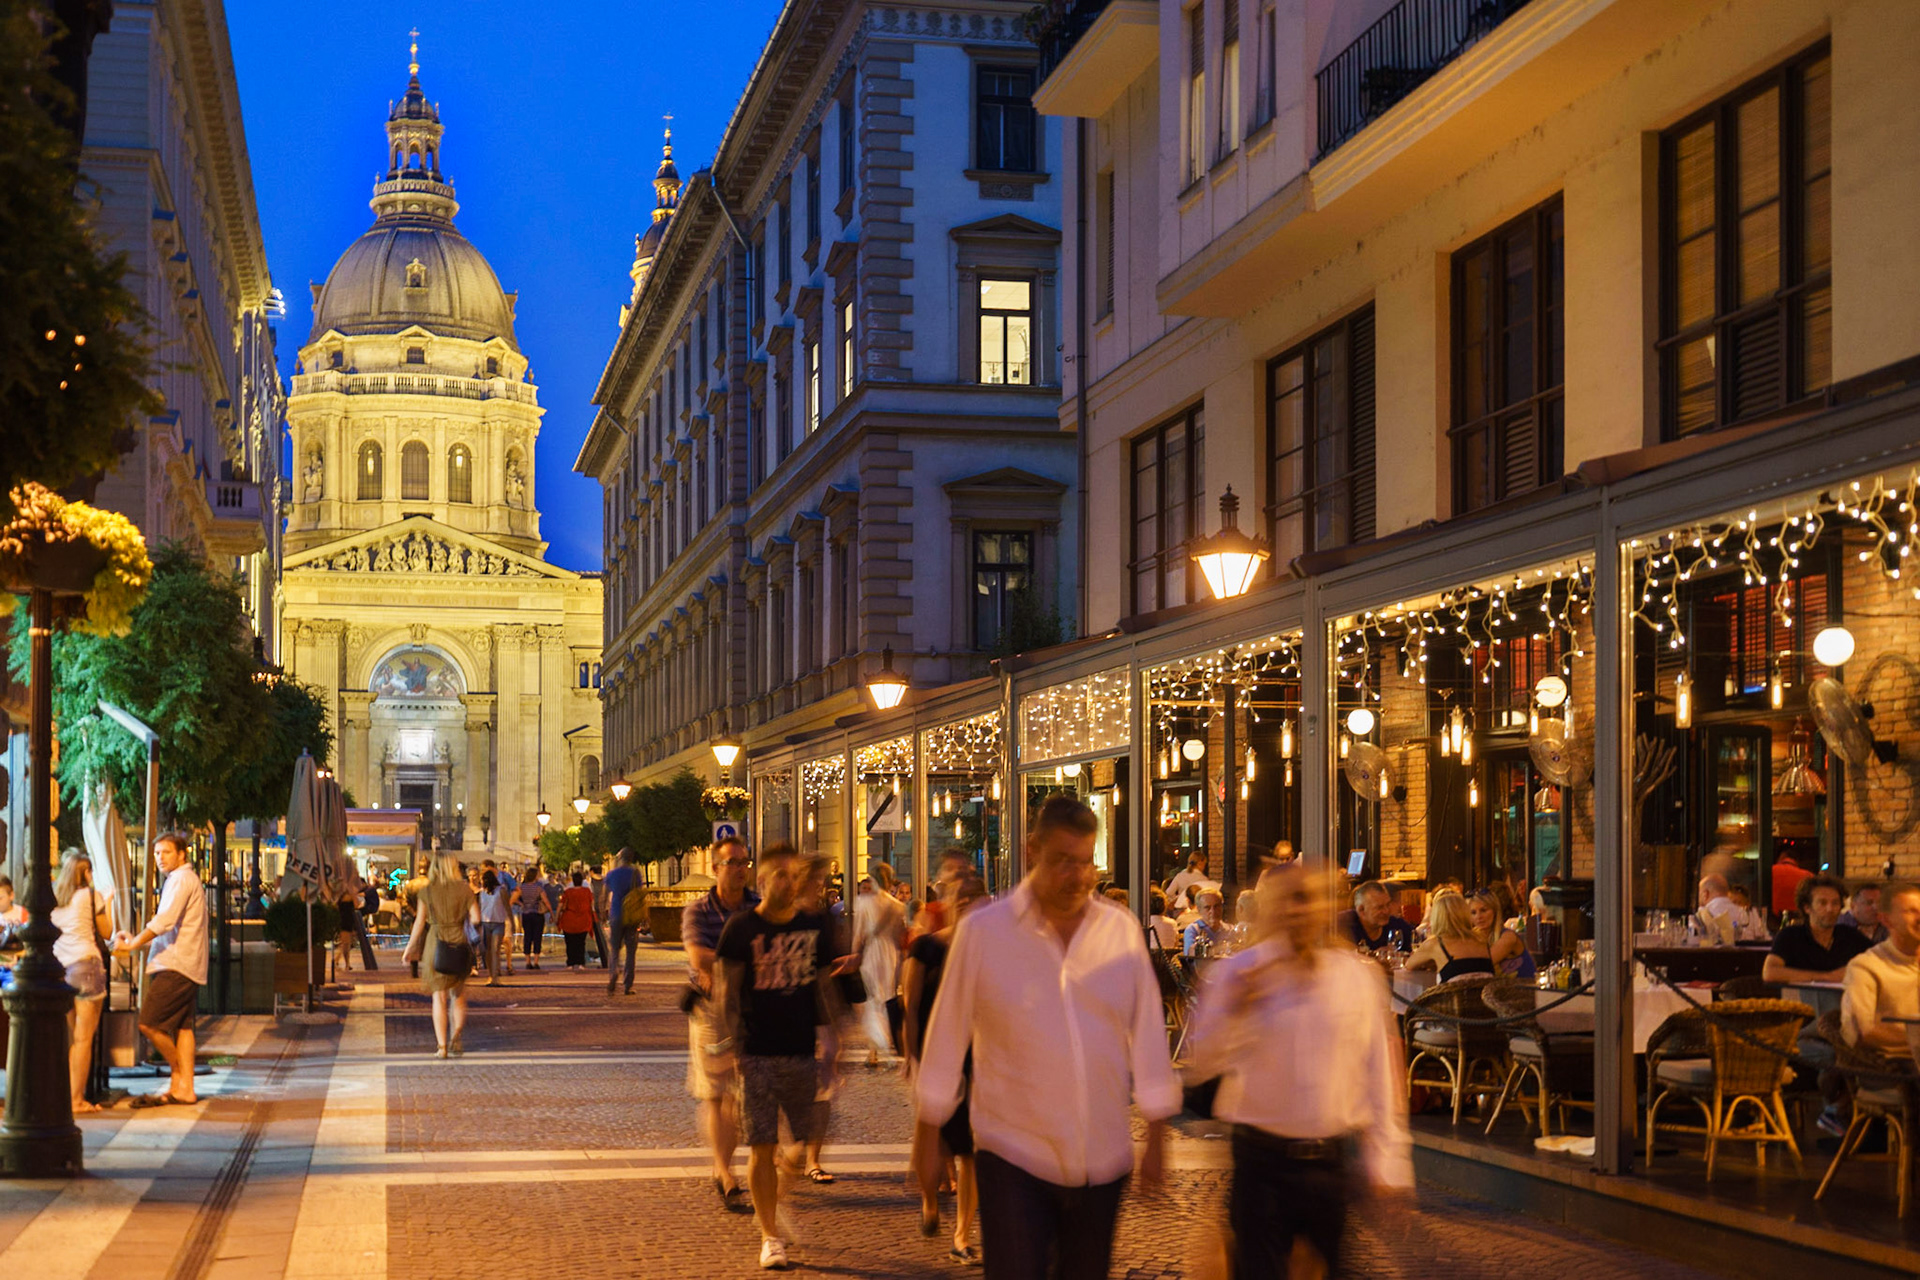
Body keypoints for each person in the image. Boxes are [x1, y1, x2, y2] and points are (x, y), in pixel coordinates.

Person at [914, 796, 1179, 1280]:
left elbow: (1146, 1032)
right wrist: (928, 1133)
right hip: (1013, 1149)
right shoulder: (986, 933)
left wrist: (1158, 1130)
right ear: (1033, 849)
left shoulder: (1118, 931)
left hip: (1101, 1155)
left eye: (1085, 863)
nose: (1076, 877)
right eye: (1062, 862)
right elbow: (947, 1032)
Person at [1184, 863, 1413, 1278]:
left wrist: (1389, 1160)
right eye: (1289, 900)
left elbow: (1377, 1069)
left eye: (1307, 900)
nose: (1298, 911)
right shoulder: (1239, 974)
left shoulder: (1353, 978)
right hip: (1260, 1163)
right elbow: (1204, 1063)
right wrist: (1236, 1011)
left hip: (1328, 1165)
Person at [715, 845, 840, 1272]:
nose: (790, 883)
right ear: (763, 881)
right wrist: (732, 1047)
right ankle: (770, 1236)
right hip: (758, 1052)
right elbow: (726, 993)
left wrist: (833, 1041)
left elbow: (823, 987)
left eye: (794, 875)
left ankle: (773, 1198)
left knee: (806, 1139)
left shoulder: (816, 926)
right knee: (762, 1146)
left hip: (802, 1049)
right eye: (781, 875)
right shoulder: (741, 928)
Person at [903, 873, 988, 1265]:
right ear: (948, 901)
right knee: (933, 1140)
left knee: (970, 1151)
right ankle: (929, 1202)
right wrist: (911, 1055)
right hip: (935, 1053)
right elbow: (912, 1006)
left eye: (976, 896)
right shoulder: (926, 948)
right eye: (962, 896)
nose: (969, 902)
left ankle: (962, 1235)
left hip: (978, 1058)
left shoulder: (991, 950)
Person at [683, 836, 760, 1207]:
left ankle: (727, 1164)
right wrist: (745, 964)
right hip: (712, 1010)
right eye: (733, 863)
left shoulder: (758, 907)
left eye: (745, 862)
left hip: (751, 1008)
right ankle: (723, 1170)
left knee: (740, 1095)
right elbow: (699, 957)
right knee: (716, 1092)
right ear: (714, 869)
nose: (741, 869)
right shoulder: (698, 910)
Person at [112, 834, 208, 1107]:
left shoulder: (180, 880)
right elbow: (170, 925)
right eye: (156, 853)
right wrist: (139, 940)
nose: (160, 857)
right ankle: (184, 1089)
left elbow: (165, 920)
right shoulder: (184, 880)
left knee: (149, 1022)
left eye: (166, 852)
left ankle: (179, 1072)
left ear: (181, 854)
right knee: (182, 1028)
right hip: (187, 963)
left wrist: (133, 943)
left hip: (176, 964)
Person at [402, 852, 481, 1057]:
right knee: (459, 995)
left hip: (435, 943)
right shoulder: (465, 890)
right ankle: (456, 1035)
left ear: (434, 868)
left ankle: (442, 1047)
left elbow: (419, 923)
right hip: (459, 942)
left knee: (439, 996)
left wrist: (409, 948)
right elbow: (476, 918)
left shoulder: (427, 891)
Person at [52, 852, 114, 1112]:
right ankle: (77, 1099)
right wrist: (108, 901)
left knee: (71, 1039)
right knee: (84, 1039)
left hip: (61, 971)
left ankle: (68, 1097)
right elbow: (107, 931)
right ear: (86, 872)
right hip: (86, 966)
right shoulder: (90, 896)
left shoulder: (55, 900)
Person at [1841, 882, 1920, 1060]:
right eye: (1910, 911)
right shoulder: (1866, 966)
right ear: (1886, 920)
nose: (1919, 917)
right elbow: (1860, 1031)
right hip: (1894, 1071)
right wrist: (1914, 1040)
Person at [1763, 875, 1870, 983]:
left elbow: (1881, 959)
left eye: (1835, 903)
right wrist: (1828, 976)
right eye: (1822, 903)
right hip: (1798, 999)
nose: (1830, 909)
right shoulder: (1791, 936)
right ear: (1807, 908)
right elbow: (1770, 972)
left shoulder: (1850, 935)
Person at [852, 864, 906, 1068]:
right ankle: (886, 1043)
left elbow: (858, 935)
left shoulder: (864, 903)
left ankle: (875, 1048)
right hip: (890, 954)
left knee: (873, 1000)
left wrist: (854, 955)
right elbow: (900, 934)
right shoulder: (897, 905)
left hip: (872, 953)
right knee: (886, 998)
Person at [1406, 893, 1494, 982]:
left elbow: (1409, 965)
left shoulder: (1435, 943)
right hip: (1483, 995)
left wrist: (1431, 961)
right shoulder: (1481, 940)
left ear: (1437, 917)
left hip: (1452, 995)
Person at [603, 848, 644, 995]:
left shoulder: (611, 874)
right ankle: (628, 985)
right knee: (631, 951)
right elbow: (640, 894)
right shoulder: (635, 873)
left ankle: (614, 971)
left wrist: (603, 912)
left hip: (616, 914)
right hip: (631, 916)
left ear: (620, 858)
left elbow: (604, 895)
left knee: (614, 949)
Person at [1466, 889, 1532, 979]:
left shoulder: (1508, 937)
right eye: (1473, 913)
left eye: (1483, 910)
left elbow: (1483, 964)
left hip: (1525, 990)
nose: (1479, 917)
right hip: (1499, 991)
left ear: (1495, 911)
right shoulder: (1474, 936)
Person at [1338, 881, 1412, 954]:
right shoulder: (1343, 923)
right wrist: (1373, 956)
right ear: (1362, 910)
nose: (1386, 911)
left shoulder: (1396, 926)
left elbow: (1417, 942)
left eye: (1388, 904)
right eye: (1380, 907)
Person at [556, 870, 597, 971]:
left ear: (573, 881)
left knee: (570, 943)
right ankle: (580, 963)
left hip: (569, 920)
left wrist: (557, 917)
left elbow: (561, 905)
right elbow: (592, 905)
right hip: (583, 920)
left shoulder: (568, 892)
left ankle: (570, 962)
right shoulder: (587, 891)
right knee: (581, 942)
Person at [477, 869, 511, 985]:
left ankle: (495, 977)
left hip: (498, 922)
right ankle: (491, 975)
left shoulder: (501, 891)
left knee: (495, 949)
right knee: (488, 951)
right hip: (486, 923)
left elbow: (507, 907)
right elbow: (479, 908)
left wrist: (510, 922)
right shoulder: (482, 893)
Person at [515, 866, 551, 971]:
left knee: (527, 937)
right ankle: (536, 962)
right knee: (537, 938)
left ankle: (527, 962)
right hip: (537, 914)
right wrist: (552, 914)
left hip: (526, 914)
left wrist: (521, 904)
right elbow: (546, 900)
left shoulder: (522, 887)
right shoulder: (539, 887)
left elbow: (514, 898)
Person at [1696, 873, 1741, 945]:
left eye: (1699, 894)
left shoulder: (1701, 915)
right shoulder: (1745, 914)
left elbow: (1693, 940)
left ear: (1705, 894)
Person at [1184, 889, 1229, 958]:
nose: (1213, 911)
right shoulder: (1194, 930)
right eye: (1207, 908)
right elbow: (1190, 958)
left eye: (1216, 906)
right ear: (1199, 910)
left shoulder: (1230, 930)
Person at [1772, 851, 1815, 919]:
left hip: (1772, 918)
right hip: (1799, 919)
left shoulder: (1771, 871)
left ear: (1781, 857)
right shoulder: (1808, 876)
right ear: (1797, 861)